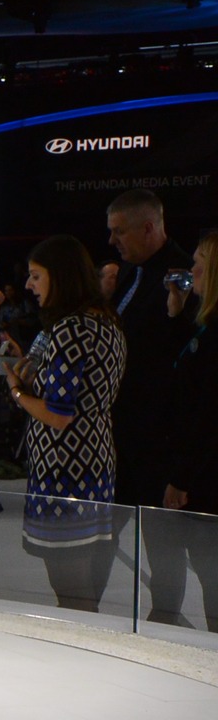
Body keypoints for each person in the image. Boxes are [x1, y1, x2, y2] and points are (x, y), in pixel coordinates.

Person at [5, 235, 128, 613]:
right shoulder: (106, 321)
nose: (29, 285)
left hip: (64, 471)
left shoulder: (69, 330)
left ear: (59, 276)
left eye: (36, 276)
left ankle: (85, 661)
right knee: (85, 583)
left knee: (72, 591)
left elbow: (58, 415)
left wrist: (16, 391)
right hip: (96, 461)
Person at [105, 190, 193, 512]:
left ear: (147, 228)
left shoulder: (186, 276)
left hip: (157, 438)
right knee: (106, 531)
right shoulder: (129, 269)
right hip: (119, 430)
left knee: (161, 545)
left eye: (119, 230)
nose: (112, 240)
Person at [147, 232, 218, 629]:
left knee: (213, 577)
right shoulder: (204, 325)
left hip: (206, 481)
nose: (191, 271)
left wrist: (180, 477)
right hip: (202, 474)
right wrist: (176, 314)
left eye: (199, 264)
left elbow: (204, 416)